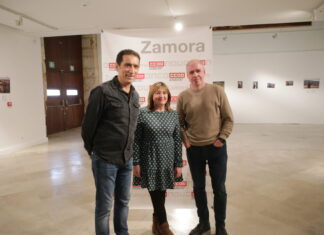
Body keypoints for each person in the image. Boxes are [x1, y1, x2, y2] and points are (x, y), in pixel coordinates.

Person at [81, 49, 141, 235]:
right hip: (105, 160)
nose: (131, 69)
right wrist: (95, 152)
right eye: (127, 65)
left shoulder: (135, 95)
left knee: (123, 202)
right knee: (104, 207)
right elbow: (87, 128)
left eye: (135, 66)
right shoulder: (102, 92)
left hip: (127, 159)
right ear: (117, 66)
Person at [176, 60, 234, 235]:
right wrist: (186, 141)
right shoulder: (183, 96)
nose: (195, 75)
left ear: (204, 72)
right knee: (199, 188)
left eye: (198, 71)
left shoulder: (217, 91)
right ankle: (204, 223)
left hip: (216, 148)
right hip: (194, 150)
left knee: (220, 189)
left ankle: (221, 226)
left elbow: (228, 119)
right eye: (191, 72)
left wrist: (221, 139)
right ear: (187, 75)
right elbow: (179, 123)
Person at [133, 82, 183, 235]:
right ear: (152, 96)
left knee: (160, 194)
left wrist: (178, 163)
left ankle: (156, 224)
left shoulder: (173, 114)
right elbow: (136, 140)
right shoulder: (143, 113)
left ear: (168, 96)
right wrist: (136, 162)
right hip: (150, 159)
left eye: (164, 93)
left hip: (167, 160)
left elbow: (177, 140)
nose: (161, 96)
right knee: (156, 194)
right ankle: (164, 225)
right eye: (158, 93)